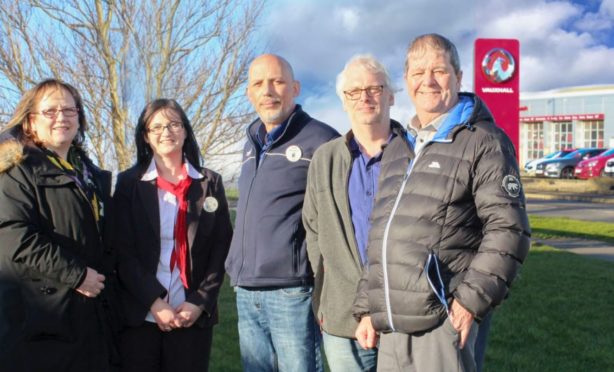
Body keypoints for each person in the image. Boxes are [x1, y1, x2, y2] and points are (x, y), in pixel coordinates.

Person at [353, 33, 531, 372]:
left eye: (439, 70)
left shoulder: (484, 142)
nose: (428, 81)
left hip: (441, 323)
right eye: (418, 73)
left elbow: (509, 229)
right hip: (390, 325)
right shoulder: (398, 148)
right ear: (406, 81)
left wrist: (468, 303)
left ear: (459, 77)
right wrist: (367, 308)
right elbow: (381, 236)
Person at [225, 54, 339, 372]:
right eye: (258, 84)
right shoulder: (251, 142)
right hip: (247, 290)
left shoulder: (322, 140)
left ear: (295, 88)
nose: (268, 91)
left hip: (291, 290)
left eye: (277, 81)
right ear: (249, 94)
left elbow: (337, 221)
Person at [0, 79, 116, 371]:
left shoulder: (89, 175)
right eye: (50, 111)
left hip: (89, 318)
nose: (61, 117)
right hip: (39, 320)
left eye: (69, 110)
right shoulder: (16, 171)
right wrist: (77, 276)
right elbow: (14, 238)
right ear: (30, 122)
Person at [110, 99, 232, 372]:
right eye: (157, 127)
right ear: (146, 136)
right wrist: (154, 302)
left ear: (186, 131)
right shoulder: (129, 183)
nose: (166, 132)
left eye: (174, 124)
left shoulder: (209, 183)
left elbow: (220, 247)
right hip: (140, 313)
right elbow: (121, 250)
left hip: (191, 314)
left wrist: (199, 301)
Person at [303, 54, 401, 372]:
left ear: (391, 95)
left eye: (374, 88)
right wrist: (322, 299)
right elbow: (314, 228)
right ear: (343, 101)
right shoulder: (325, 159)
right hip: (342, 317)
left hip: (405, 314)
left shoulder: (417, 153)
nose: (365, 97)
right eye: (354, 91)